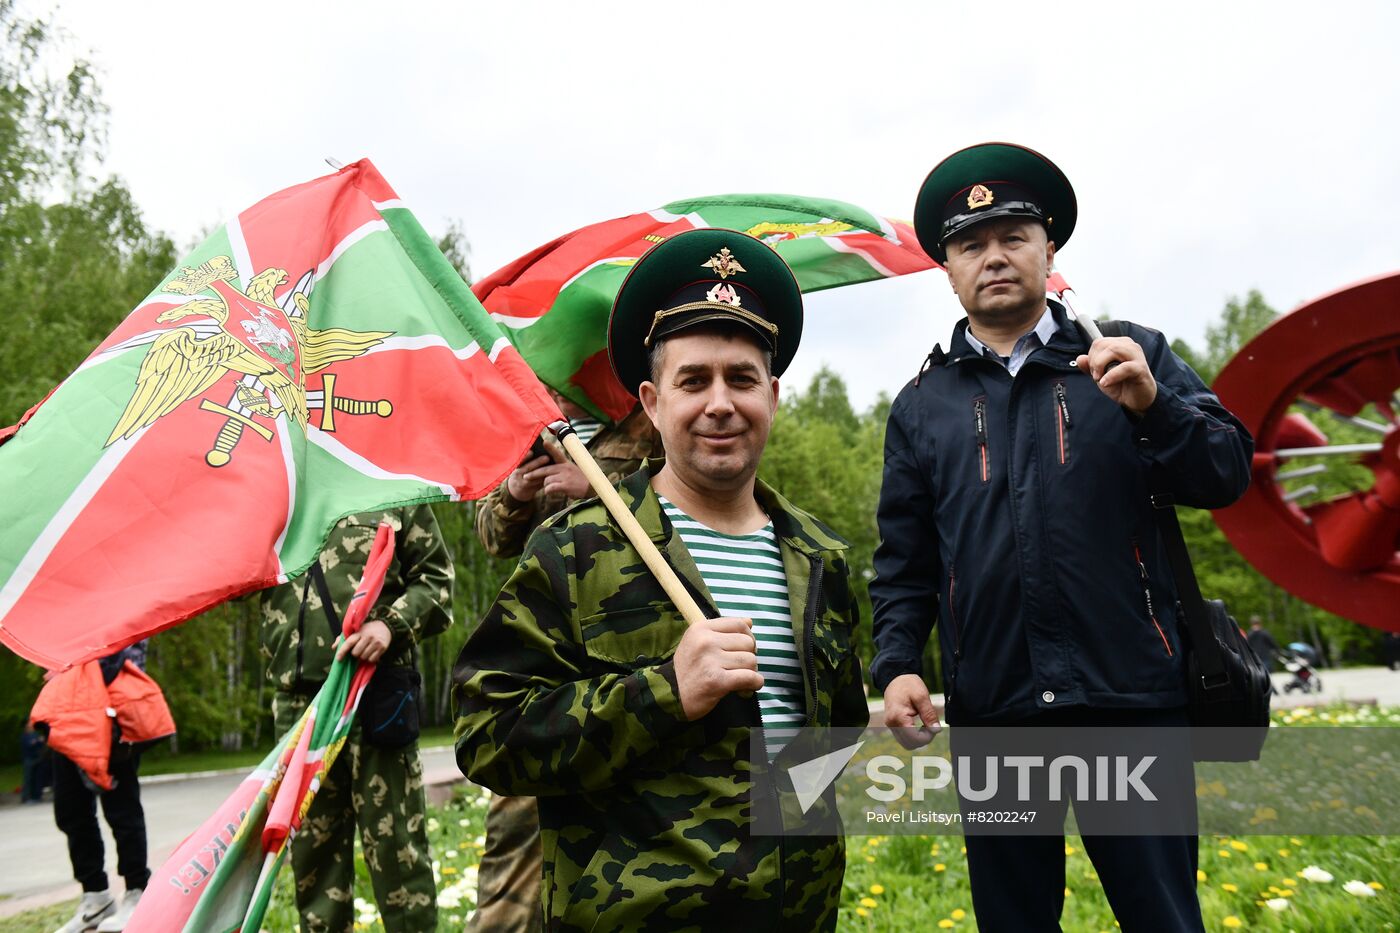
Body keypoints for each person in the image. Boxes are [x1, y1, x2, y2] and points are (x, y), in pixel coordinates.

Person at [870, 142, 1253, 932]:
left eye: (1013, 235)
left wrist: (1156, 406)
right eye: (971, 244)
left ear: (1051, 248)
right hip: (997, 709)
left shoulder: (1125, 352)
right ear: (947, 268)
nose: (995, 256)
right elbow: (905, 561)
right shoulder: (920, 403)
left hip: (1130, 701)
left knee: (1164, 918)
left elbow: (1226, 472)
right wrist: (899, 663)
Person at [454, 228, 868, 931]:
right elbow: (487, 733)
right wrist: (662, 691)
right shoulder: (578, 548)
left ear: (772, 394)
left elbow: (833, 746)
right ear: (650, 401)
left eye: (741, 378)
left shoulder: (818, 555)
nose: (720, 402)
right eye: (693, 379)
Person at [472, 393, 659, 933]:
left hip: (633, 658)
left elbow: (692, 496)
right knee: (516, 839)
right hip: (547, 661)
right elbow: (492, 538)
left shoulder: (647, 419)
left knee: (630, 850)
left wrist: (597, 486)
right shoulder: (529, 433)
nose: (549, 386)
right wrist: (514, 491)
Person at [258, 506, 453, 933]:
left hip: (375, 693)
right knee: (313, 856)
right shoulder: (281, 492)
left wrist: (389, 625)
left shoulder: (393, 487)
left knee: (397, 850)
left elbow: (438, 582)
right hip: (299, 706)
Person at [44, 641, 161, 933]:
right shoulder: (60, 602)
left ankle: (137, 890)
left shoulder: (117, 598)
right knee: (70, 810)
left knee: (122, 809)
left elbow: (126, 649)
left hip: (112, 709)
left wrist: (79, 670)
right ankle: (95, 896)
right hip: (67, 713)